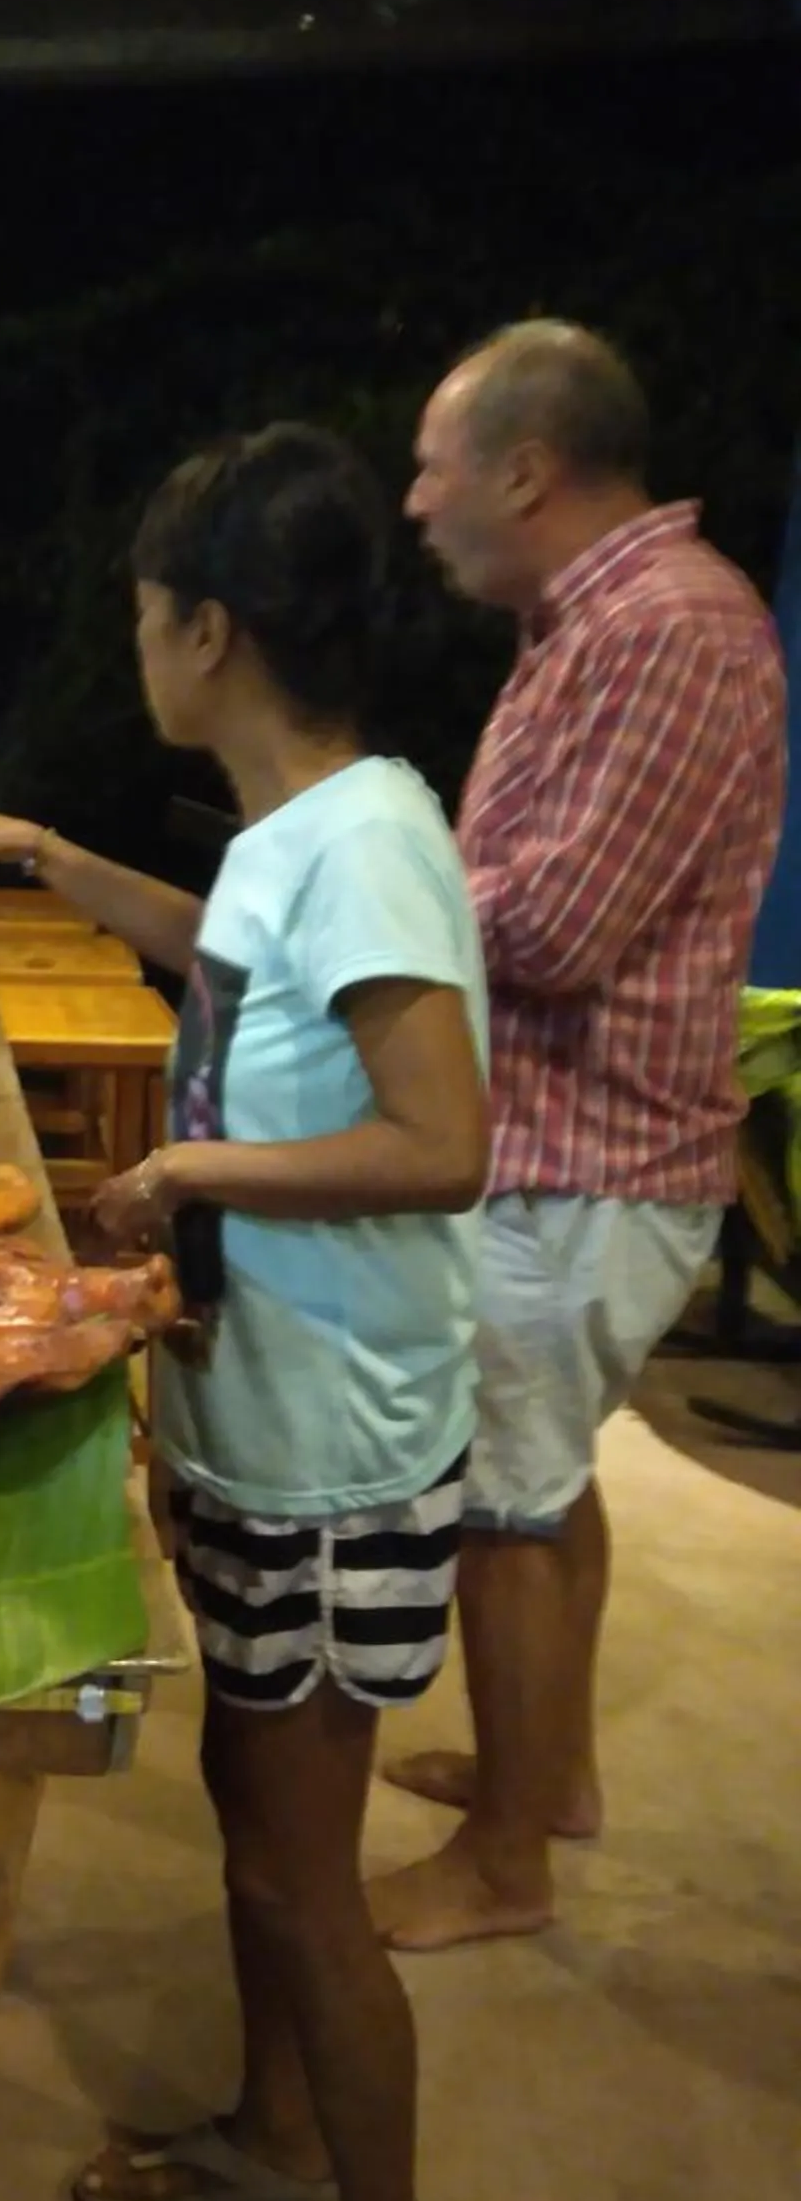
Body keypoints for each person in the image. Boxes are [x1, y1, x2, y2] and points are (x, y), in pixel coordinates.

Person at [0, 422, 488, 2201]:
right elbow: (243, 972)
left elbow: (444, 1138)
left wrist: (183, 1173)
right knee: (257, 1809)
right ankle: (271, 2133)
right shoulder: (293, 824)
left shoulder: (375, 843)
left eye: (148, 612)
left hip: (344, 1450)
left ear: (210, 628)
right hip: (263, 1415)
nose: (134, 639)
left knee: (303, 1873)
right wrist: (45, 856)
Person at [368, 322, 788, 1952]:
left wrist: (364, 886)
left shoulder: (666, 632)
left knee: (501, 1510)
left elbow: (551, 926)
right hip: (570, 1148)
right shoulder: (591, 623)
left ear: (525, 469)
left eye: (433, 462)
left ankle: (504, 1865)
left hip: (580, 1158)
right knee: (549, 1481)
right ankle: (552, 1778)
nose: (414, 501)